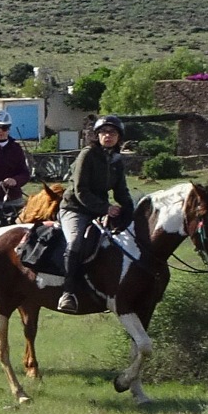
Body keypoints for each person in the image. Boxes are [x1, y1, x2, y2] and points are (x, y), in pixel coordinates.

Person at [56, 114, 133, 313]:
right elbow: (81, 190)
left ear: (119, 137)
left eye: (113, 132)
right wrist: (105, 208)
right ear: (97, 135)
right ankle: (68, 293)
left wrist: (132, 212)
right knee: (75, 242)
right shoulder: (87, 154)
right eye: (104, 132)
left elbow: (121, 191)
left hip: (97, 211)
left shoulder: (116, 160)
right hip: (74, 209)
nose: (108, 136)